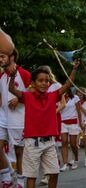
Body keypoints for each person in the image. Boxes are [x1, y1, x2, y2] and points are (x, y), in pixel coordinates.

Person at [8, 60, 79, 188]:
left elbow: (68, 85)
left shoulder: (53, 96)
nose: (44, 83)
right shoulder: (27, 96)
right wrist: (13, 75)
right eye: (40, 81)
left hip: (49, 143)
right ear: (33, 83)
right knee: (31, 176)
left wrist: (74, 69)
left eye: (46, 81)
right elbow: (12, 89)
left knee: (54, 172)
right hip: (32, 143)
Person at [0, 49, 30, 188]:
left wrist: (19, 98)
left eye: (2, 56)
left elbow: (34, 93)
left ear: (12, 57)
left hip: (18, 118)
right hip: (3, 117)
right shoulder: (1, 76)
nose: (0, 59)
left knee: (19, 151)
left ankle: (20, 181)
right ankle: (7, 175)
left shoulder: (24, 73)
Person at [59, 87, 83, 171]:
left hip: (73, 123)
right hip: (63, 123)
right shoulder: (59, 98)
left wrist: (81, 124)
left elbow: (79, 112)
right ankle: (65, 164)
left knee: (73, 144)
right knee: (64, 142)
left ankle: (76, 160)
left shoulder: (75, 98)